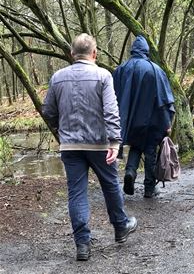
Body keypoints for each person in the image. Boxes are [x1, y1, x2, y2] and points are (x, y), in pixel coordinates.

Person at [42, 33, 137, 261]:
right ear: (94, 54)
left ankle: (82, 244)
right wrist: (115, 141)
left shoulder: (57, 78)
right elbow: (111, 111)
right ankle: (120, 226)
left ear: (72, 54)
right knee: (110, 184)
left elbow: (48, 111)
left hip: (70, 146)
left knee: (76, 193)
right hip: (99, 143)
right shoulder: (103, 75)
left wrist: (60, 131)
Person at [113, 35, 175, 198]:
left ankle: (130, 172)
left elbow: (112, 96)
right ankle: (149, 188)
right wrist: (167, 121)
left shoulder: (121, 69)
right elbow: (165, 98)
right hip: (153, 119)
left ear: (133, 50)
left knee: (136, 146)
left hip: (130, 120)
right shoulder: (155, 69)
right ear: (147, 51)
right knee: (150, 151)